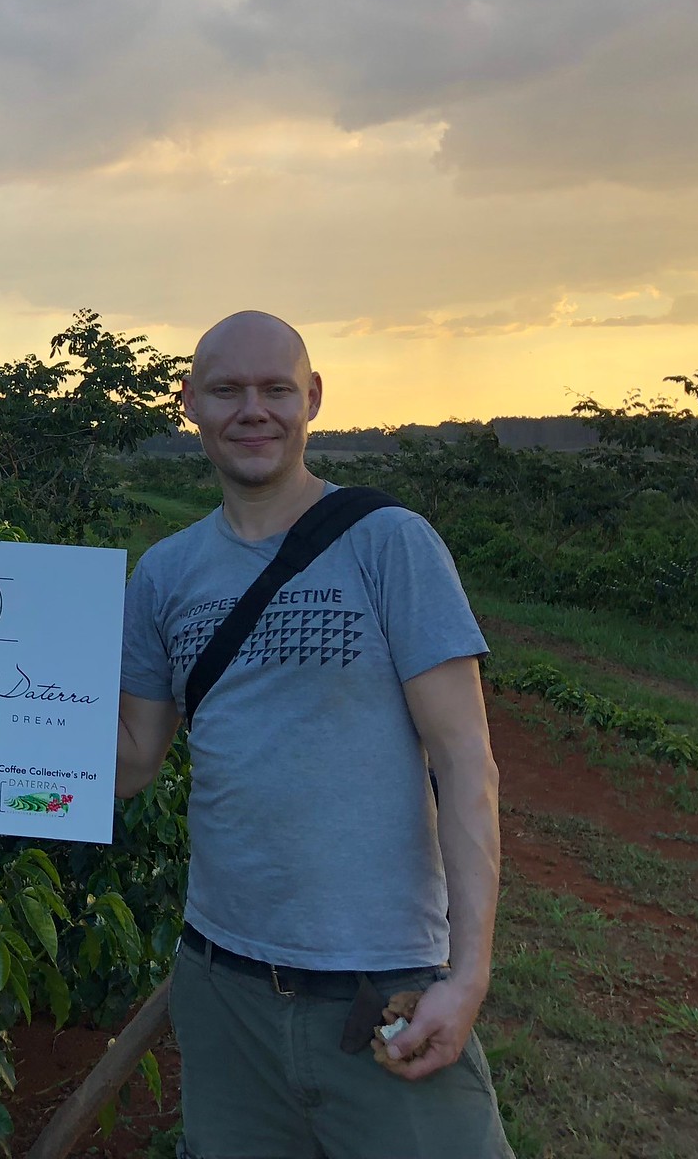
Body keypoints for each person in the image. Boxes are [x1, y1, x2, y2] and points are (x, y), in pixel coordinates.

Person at [116, 311, 512, 1159]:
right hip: (224, 986)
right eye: (226, 390)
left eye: (275, 390)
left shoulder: (390, 544)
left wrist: (467, 974)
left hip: (382, 989)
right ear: (189, 403)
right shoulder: (164, 574)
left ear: (313, 400)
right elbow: (131, 759)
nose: (251, 411)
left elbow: (465, 762)